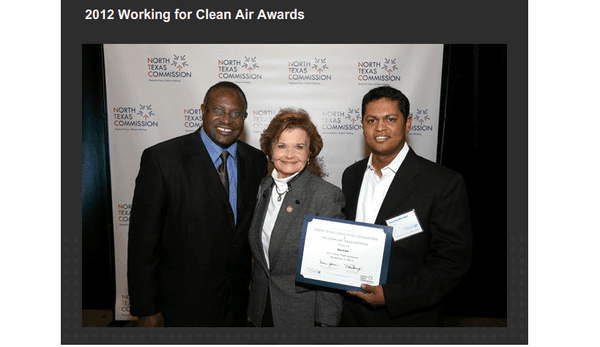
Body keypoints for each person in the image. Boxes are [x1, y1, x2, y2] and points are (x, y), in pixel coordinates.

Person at [127, 81, 268, 327]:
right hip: (181, 306)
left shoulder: (256, 160)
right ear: (203, 110)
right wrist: (147, 308)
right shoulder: (162, 160)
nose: (227, 119)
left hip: (236, 303)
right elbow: (142, 243)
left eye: (236, 113)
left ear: (245, 117)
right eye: (218, 110)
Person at [340, 86, 472, 327]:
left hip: (406, 318)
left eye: (390, 119)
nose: (380, 127)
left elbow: (452, 262)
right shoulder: (351, 175)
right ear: (362, 125)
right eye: (372, 120)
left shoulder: (443, 183)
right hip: (350, 316)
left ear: (408, 123)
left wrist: (390, 297)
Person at [246, 108, 345, 327]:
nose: (289, 155)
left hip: (301, 314)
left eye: (299, 147)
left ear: (310, 152)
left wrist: (326, 323)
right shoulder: (263, 187)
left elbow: (332, 270)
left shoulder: (325, 195)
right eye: (281, 145)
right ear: (270, 150)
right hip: (260, 307)